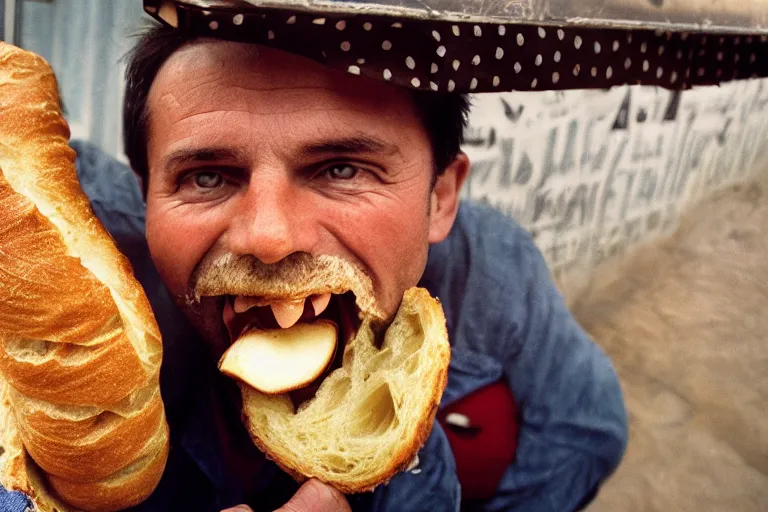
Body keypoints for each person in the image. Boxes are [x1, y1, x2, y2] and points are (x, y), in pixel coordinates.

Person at [3, 15, 628, 512]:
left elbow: (589, 429)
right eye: (208, 175)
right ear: (145, 196)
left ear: (441, 197)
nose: (268, 238)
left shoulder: (493, 270)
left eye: (340, 168)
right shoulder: (72, 299)